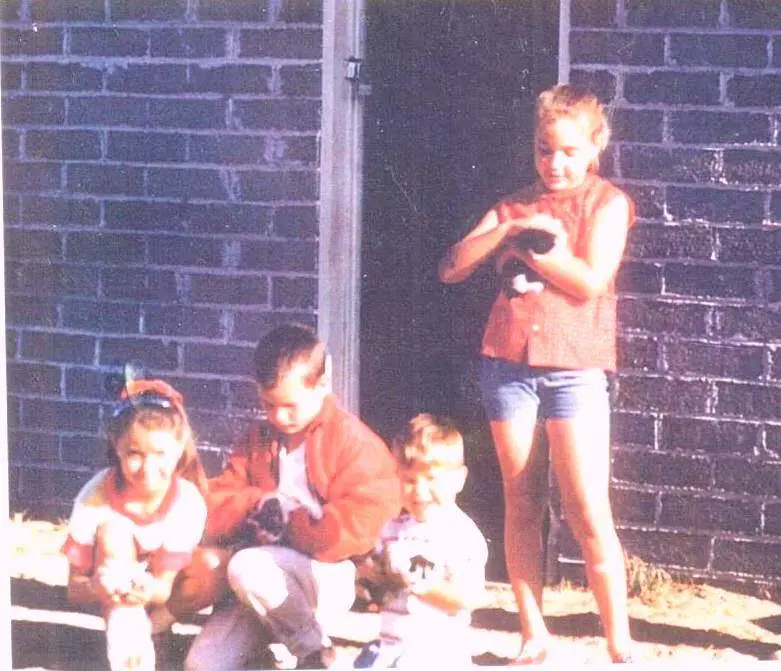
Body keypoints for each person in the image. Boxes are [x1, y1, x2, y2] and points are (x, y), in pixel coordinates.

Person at [438, 83, 635, 664]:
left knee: (585, 506)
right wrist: (504, 232)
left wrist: (530, 251)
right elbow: (451, 267)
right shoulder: (513, 205)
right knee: (521, 501)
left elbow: (589, 281)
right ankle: (533, 632)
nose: (555, 163)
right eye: (545, 150)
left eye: (570, 151)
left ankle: (618, 637)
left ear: (595, 146)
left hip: (576, 370)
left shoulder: (609, 203)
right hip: (508, 366)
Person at [183, 323, 402, 671]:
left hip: (326, 575)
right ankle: (282, 654)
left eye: (290, 405)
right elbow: (216, 502)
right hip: (258, 582)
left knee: (246, 565)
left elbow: (367, 520)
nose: (279, 417)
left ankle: (313, 653)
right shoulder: (259, 439)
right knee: (204, 664)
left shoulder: (351, 441)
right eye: (268, 405)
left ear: (322, 386)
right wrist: (256, 504)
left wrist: (291, 524)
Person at [62, 378, 209, 671]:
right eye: (134, 454)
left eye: (160, 454)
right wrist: (97, 586)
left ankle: (154, 632)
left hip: (159, 593)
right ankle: (130, 654)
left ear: (180, 448)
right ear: (116, 446)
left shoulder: (188, 503)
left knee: (211, 567)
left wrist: (148, 591)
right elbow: (73, 589)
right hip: (115, 593)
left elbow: (164, 588)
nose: (148, 468)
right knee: (113, 531)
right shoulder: (93, 499)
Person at [353, 413, 488, 669]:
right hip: (392, 645)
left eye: (431, 479)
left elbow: (467, 598)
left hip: (437, 652)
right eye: (409, 480)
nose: (419, 491)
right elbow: (375, 591)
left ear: (459, 479)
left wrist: (419, 584)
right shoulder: (391, 528)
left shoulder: (460, 534)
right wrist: (372, 578)